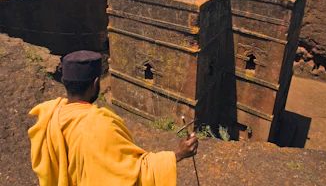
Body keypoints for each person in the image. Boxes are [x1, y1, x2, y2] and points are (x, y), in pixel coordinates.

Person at [28, 50, 198, 186]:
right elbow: (134, 172)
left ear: (65, 81)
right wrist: (178, 154)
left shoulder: (47, 117)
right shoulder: (99, 124)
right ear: (96, 83)